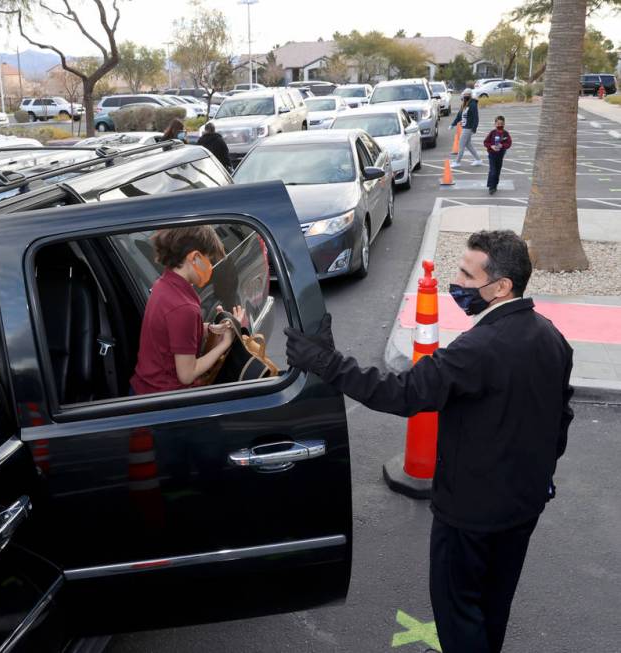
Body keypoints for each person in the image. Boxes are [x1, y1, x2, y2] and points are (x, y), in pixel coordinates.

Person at [285, 231, 573, 653]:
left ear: (501, 286)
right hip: (523, 506)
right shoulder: (552, 337)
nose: (455, 280)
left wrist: (327, 362)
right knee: (494, 605)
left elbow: (402, 393)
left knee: (459, 615)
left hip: (470, 514)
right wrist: (540, 475)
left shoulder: (476, 348)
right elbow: (561, 416)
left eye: (465, 273)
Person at [130, 226, 243, 395]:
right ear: (195, 258)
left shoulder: (163, 285)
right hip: (165, 400)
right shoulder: (184, 308)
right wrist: (226, 342)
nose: (211, 267)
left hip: (144, 390)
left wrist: (210, 328)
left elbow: (170, 334)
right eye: (209, 260)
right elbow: (187, 375)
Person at [450, 88, 481, 168]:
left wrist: (474, 128)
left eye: (467, 95)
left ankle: (457, 162)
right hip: (465, 127)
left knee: (461, 144)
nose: (466, 96)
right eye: (465, 95)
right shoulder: (464, 104)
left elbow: (476, 118)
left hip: (468, 128)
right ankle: (478, 159)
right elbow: (459, 116)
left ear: (470, 95)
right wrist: (453, 124)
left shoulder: (473, 104)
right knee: (468, 144)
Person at [483, 115, 512, 195]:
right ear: (495, 124)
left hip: (500, 154)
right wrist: (491, 146)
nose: (499, 125)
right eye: (498, 123)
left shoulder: (505, 134)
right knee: (493, 170)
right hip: (492, 154)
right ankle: (491, 187)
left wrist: (502, 146)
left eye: (501, 123)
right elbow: (485, 142)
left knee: (497, 170)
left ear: (504, 124)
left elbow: (509, 143)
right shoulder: (492, 133)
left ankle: (495, 185)